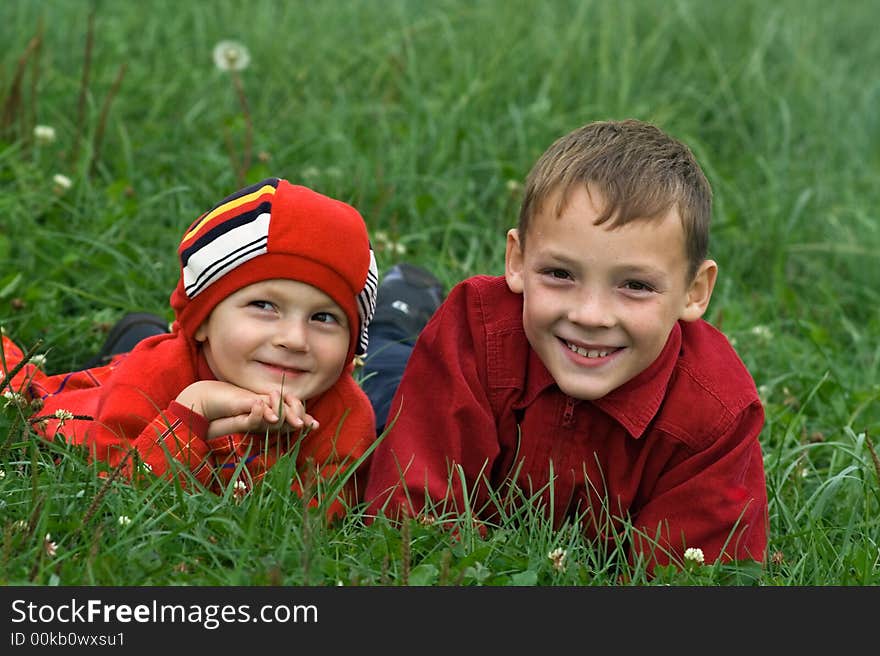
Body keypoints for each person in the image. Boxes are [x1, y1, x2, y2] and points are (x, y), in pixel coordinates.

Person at [362, 119, 769, 570]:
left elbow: (695, 575)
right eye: (560, 274)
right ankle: (397, 310)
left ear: (694, 291)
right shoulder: (475, 330)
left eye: (634, 285)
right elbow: (414, 513)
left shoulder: (716, 415)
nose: (590, 315)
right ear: (516, 260)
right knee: (378, 384)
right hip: (415, 384)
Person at [1, 177, 380, 521]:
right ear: (200, 322)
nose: (295, 339)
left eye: (324, 318)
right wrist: (194, 408)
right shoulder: (159, 369)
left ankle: (136, 328)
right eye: (264, 306)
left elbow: (307, 524)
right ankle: (135, 334)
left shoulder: (345, 414)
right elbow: (118, 490)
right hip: (120, 385)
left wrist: (260, 446)